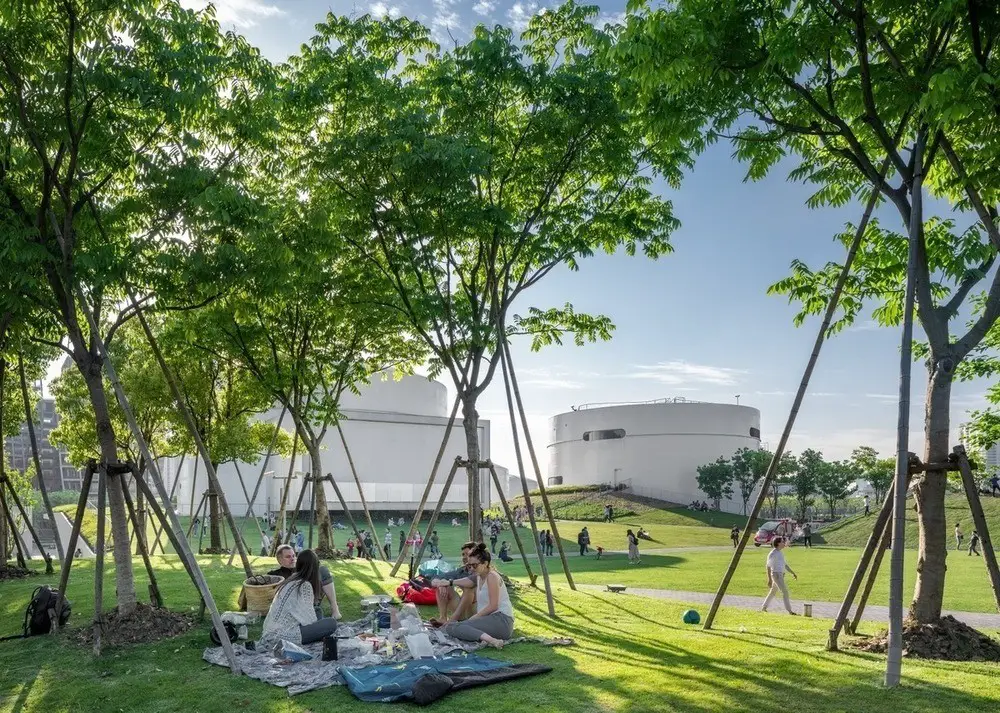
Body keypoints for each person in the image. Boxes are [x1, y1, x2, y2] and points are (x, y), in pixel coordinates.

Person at [259, 550, 339, 650]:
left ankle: (319, 634)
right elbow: (309, 621)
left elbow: (303, 612)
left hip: (271, 632)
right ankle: (319, 636)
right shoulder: (305, 585)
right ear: (315, 567)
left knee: (317, 610)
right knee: (331, 624)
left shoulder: (292, 579)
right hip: (283, 636)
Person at [439, 543, 514, 648]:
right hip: (490, 619)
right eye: (469, 566)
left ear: (485, 563)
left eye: (474, 565)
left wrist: (474, 618)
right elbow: (467, 581)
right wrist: (447, 583)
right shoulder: (479, 576)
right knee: (451, 626)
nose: (471, 569)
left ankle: (492, 640)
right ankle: (488, 638)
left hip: (501, 620)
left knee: (456, 627)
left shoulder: (492, 577)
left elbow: (494, 606)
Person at [269, 544, 342, 619]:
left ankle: (335, 608)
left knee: (323, 570)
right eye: (288, 557)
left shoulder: (302, 569)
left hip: (311, 600)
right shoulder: (275, 575)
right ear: (280, 560)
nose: (292, 558)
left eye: (293, 556)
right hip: (294, 606)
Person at [429, 541, 477, 628]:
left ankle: (456, 620)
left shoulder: (482, 570)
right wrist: (441, 584)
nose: (465, 557)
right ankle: (443, 618)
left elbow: (471, 582)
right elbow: (436, 577)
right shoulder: (461, 571)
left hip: (478, 609)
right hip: (463, 608)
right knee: (443, 587)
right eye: (463, 555)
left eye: (468, 554)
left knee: (468, 589)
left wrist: (448, 582)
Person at [760, 537, 798, 615]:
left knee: (773, 592)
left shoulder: (780, 552)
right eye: (782, 542)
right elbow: (768, 566)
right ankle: (789, 611)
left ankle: (763, 607)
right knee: (785, 592)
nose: (784, 543)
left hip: (780, 574)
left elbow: (785, 565)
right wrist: (769, 579)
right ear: (778, 543)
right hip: (776, 574)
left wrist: (792, 572)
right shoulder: (773, 553)